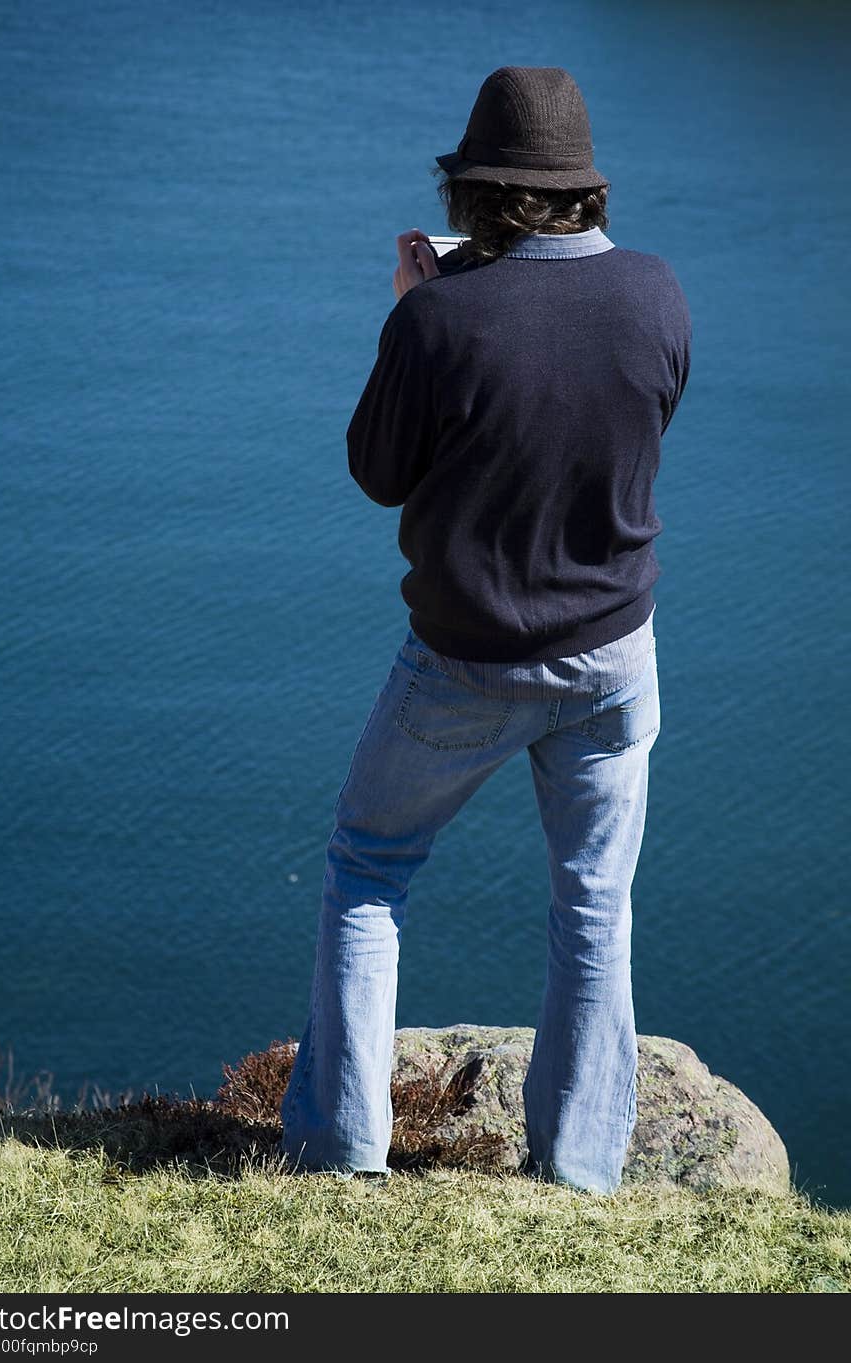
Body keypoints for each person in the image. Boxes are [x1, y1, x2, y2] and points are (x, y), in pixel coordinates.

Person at [280, 66, 692, 1194]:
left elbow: (377, 473)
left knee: (369, 869)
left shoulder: (441, 316)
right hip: (614, 660)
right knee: (592, 904)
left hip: (464, 663)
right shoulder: (656, 292)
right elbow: (613, 403)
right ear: (580, 191)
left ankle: (340, 1153)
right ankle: (579, 1169)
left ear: (475, 196)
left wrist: (415, 311)